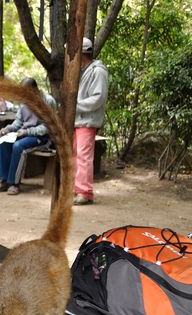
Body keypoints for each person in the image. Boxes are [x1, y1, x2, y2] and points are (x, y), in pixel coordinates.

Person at [0, 77, 57, 196]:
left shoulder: (48, 101)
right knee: (3, 142)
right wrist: (8, 129)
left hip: (42, 138)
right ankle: (4, 181)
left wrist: (28, 132)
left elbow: (48, 127)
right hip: (23, 134)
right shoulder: (23, 102)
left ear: (34, 90)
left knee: (18, 146)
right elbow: (18, 123)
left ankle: (14, 183)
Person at [73, 37, 109, 206]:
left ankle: (85, 192)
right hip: (78, 120)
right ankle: (78, 188)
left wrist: (75, 106)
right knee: (76, 155)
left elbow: (98, 98)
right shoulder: (83, 70)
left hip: (86, 120)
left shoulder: (98, 71)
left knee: (84, 156)